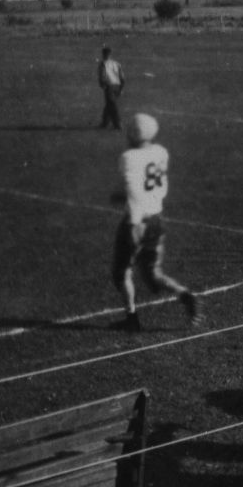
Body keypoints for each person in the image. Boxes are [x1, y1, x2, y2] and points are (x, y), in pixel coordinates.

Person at [111, 113, 202, 332]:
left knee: (121, 271)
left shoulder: (128, 157)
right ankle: (185, 295)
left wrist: (134, 224)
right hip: (156, 219)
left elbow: (134, 191)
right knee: (153, 273)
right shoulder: (161, 152)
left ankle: (132, 318)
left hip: (138, 221)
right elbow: (151, 187)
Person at [97, 45, 125, 130]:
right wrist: (121, 88)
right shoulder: (116, 63)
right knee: (109, 104)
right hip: (117, 85)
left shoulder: (103, 64)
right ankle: (105, 123)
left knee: (112, 105)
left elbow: (102, 75)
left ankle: (118, 124)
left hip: (109, 86)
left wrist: (102, 84)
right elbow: (122, 77)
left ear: (103, 54)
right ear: (110, 54)